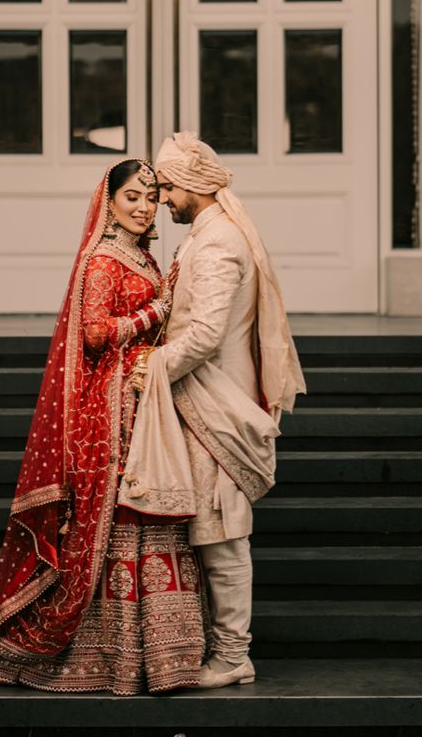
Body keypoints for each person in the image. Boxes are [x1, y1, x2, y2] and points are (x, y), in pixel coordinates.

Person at [0, 158, 206, 696]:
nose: (145, 206)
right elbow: (98, 334)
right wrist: (157, 312)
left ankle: (161, 652)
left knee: (150, 511)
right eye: (133, 196)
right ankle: (102, 655)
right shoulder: (104, 259)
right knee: (119, 514)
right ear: (109, 200)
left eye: (151, 197)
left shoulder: (142, 255)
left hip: (144, 397)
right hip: (113, 409)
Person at [130, 132, 306, 690]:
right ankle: (218, 647)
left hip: (218, 406)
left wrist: (153, 368)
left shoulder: (214, 244)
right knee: (211, 530)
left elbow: (204, 335)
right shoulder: (207, 235)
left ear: (188, 188)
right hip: (204, 400)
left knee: (224, 534)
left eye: (166, 190)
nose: (161, 201)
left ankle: (233, 656)